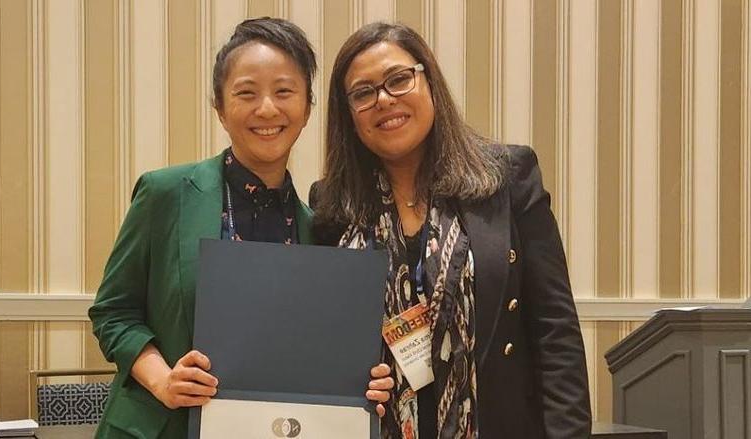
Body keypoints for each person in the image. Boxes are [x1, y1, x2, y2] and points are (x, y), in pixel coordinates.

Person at [89, 17, 391, 438]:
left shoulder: (320, 228)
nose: (266, 108)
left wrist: (361, 380)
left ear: (307, 108)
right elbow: (112, 312)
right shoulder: (166, 194)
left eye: (284, 91)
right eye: (246, 93)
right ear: (220, 107)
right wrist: (163, 380)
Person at [312, 22, 591, 438]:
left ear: (428, 81)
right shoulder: (333, 205)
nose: (384, 100)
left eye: (398, 79)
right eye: (363, 92)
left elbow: (555, 331)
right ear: (348, 114)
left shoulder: (508, 177)